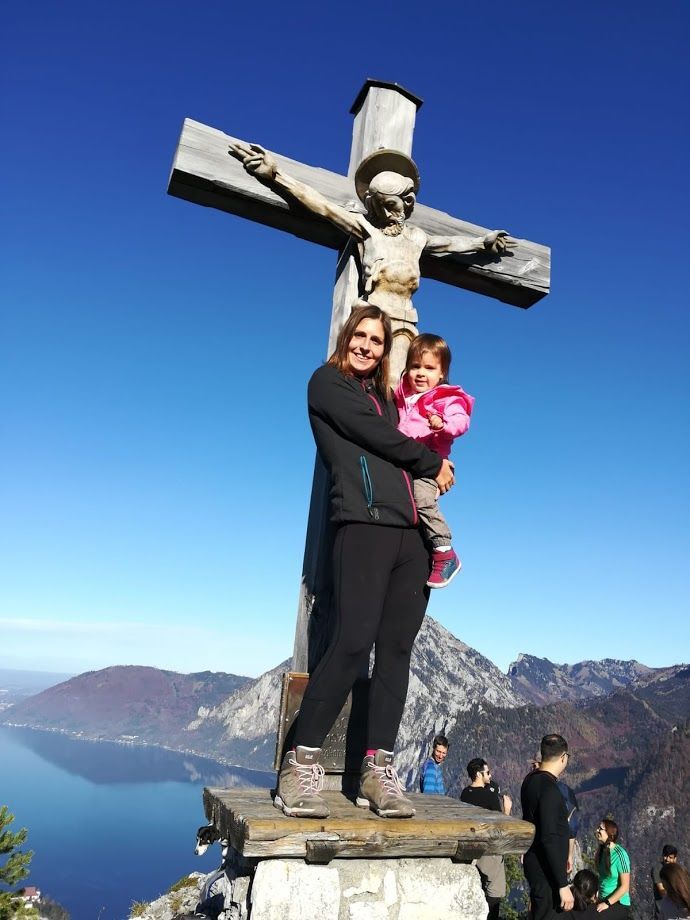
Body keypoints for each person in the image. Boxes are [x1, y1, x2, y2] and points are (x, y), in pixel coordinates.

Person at [274, 304, 454, 820]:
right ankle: (300, 764)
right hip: (363, 523)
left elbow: (418, 424)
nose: (367, 346)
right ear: (346, 336)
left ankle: (378, 771)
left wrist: (439, 424)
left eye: (377, 341)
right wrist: (432, 463)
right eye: (361, 335)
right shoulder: (327, 385)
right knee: (352, 642)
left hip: (411, 537)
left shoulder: (390, 399)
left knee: (397, 651)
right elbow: (378, 437)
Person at [394, 333, 474, 588]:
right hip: (405, 462)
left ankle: (444, 550)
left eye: (429, 368)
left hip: (430, 465)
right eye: (415, 366)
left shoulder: (445, 399)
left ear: (442, 373)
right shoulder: (403, 395)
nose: (420, 373)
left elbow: (461, 422)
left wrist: (443, 424)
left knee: (422, 499)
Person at [521, 733, 574, 918]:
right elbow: (549, 837)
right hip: (547, 870)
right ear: (563, 757)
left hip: (535, 860)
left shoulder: (530, 780)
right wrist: (562, 884)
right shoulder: (550, 789)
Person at [461, 758, 513, 920]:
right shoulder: (489, 797)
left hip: (471, 848)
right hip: (489, 851)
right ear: (478, 774)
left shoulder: (465, 793)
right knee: (494, 892)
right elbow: (500, 828)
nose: (490, 775)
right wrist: (507, 810)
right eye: (487, 772)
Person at [595, 819, 631, 915]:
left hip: (617, 903)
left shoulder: (620, 854)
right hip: (602, 900)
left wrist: (607, 903)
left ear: (609, 833)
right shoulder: (601, 851)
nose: (597, 830)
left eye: (600, 828)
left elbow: (625, 887)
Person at [654, 845, 679, 917]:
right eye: (665, 856)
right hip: (662, 911)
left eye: (670, 857)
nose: (667, 859)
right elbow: (662, 891)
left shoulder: (678, 870)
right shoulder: (657, 869)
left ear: (675, 859)